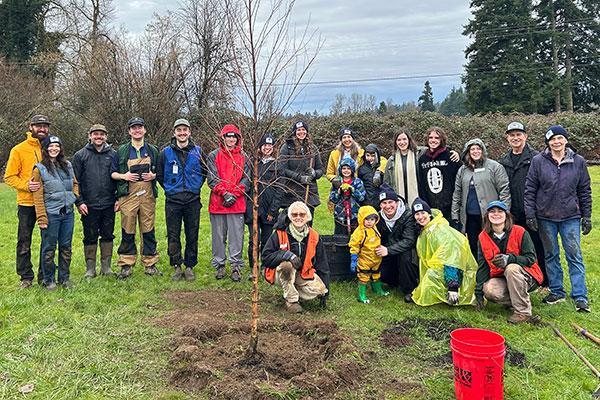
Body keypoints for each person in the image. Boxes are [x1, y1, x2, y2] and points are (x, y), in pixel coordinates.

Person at [524, 125, 592, 313]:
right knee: (551, 254)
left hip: (570, 216)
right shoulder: (538, 161)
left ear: (565, 140)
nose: (556, 142)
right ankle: (556, 291)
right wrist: (530, 214)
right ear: (548, 142)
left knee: (574, 255)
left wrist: (586, 216)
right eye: (552, 139)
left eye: (560, 138)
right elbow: (530, 189)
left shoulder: (578, 161)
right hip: (546, 216)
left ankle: (580, 295)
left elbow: (584, 190)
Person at [475, 201, 543, 324]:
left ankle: (523, 312)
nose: (496, 214)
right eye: (492, 211)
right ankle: (519, 300)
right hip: (503, 278)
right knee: (489, 290)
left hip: (527, 276)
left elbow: (531, 258)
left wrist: (510, 259)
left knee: (511, 268)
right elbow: (483, 266)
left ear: (507, 215)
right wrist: (479, 293)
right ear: (487, 216)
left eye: (500, 211)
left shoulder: (520, 231)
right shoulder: (482, 237)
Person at [497, 121, 547, 286]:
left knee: (538, 246)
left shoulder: (537, 158)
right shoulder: (503, 161)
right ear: (507, 138)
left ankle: (544, 280)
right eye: (512, 135)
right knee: (516, 247)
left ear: (525, 136)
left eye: (519, 134)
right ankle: (520, 280)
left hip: (533, 211)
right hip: (512, 213)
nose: (515, 138)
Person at [111, 117, 160, 279]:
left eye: (140, 127)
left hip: (147, 196)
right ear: (129, 131)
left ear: (144, 130)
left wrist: (153, 176)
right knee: (128, 229)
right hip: (128, 196)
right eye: (134, 128)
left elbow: (160, 171)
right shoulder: (122, 151)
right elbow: (112, 173)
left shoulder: (153, 150)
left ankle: (150, 263)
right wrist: (124, 176)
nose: (137, 130)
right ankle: (126, 264)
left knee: (148, 229)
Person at [157, 118, 205, 281]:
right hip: (173, 201)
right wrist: (171, 189)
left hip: (192, 200)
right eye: (179, 130)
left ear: (189, 132)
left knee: (192, 233)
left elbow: (204, 173)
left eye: (185, 130)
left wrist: (195, 186)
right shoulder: (165, 153)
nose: (182, 133)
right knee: (173, 234)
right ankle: (176, 265)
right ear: (174, 133)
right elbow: (160, 175)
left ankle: (190, 265)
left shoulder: (198, 151)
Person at [4, 114, 49, 288]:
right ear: (31, 127)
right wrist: (26, 185)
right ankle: (25, 277)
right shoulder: (19, 149)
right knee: (24, 240)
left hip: (47, 202)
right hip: (27, 203)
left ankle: (45, 274)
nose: (42, 129)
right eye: (38, 126)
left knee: (48, 240)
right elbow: (9, 177)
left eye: (45, 126)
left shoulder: (51, 147)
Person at [261, 201, 329, 313]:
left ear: (308, 217)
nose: (298, 217)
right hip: (279, 272)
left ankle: (292, 289)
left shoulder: (314, 236)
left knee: (320, 290)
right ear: (289, 217)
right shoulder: (279, 233)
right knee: (287, 266)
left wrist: (326, 292)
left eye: (302, 214)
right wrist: (286, 255)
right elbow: (266, 258)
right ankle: (291, 301)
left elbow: (322, 264)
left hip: (303, 273)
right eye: (294, 215)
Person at [32, 136, 79, 290]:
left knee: (66, 246)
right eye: (51, 146)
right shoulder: (39, 168)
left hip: (67, 213)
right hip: (51, 214)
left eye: (57, 146)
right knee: (49, 247)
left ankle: (64, 278)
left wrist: (74, 196)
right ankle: (48, 279)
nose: (54, 149)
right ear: (45, 149)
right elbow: (37, 196)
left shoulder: (67, 165)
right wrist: (41, 217)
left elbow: (75, 183)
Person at [411, 198, 476, 307]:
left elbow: (451, 258)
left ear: (429, 214)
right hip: (440, 268)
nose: (421, 217)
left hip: (453, 272)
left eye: (423, 213)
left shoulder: (440, 230)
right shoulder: (425, 230)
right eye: (417, 214)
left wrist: (453, 286)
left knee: (431, 275)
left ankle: (452, 292)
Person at [72, 124, 118, 278]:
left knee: (107, 235)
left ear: (106, 136)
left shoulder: (113, 154)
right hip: (88, 205)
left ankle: (106, 268)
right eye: (95, 134)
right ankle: (90, 269)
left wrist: (118, 199)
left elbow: (118, 178)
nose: (99, 137)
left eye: (102, 134)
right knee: (90, 236)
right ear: (89, 135)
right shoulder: (80, 155)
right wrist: (79, 202)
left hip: (109, 204)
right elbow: (75, 182)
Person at [451, 138, 511, 257]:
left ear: (483, 150)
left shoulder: (495, 167)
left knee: (492, 246)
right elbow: (457, 194)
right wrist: (455, 215)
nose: (475, 151)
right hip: (470, 217)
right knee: (474, 246)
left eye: (478, 148)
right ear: (467, 152)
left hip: (489, 216)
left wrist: (504, 213)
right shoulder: (462, 170)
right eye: (472, 149)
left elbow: (504, 191)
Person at [206, 124, 250, 282]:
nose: (231, 139)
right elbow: (211, 178)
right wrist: (224, 193)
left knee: (236, 237)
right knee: (218, 237)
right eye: (228, 136)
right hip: (218, 203)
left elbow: (247, 179)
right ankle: (219, 265)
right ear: (222, 138)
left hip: (237, 204)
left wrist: (235, 194)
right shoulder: (213, 155)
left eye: (234, 137)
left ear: (238, 139)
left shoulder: (244, 156)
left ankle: (236, 266)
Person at [244, 132, 282, 278]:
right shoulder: (253, 164)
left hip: (269, 209)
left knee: (267, 240)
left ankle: (266, 267)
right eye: (264, 145)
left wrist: (273, 210)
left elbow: (280, 190)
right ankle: (253, 268)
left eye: (270, 145)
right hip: (253, 208)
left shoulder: (277, 166)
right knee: (254, 240)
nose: (267, 148)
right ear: (260, 147)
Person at [375, 184, 419, 301]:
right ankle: (394, 281)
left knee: (405, 257)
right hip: (388, 252)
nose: (388, 206)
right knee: (384, 275)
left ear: (397, 202)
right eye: (384, 203)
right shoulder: (378, 218)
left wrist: (388, 250)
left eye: (391, 202)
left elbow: (409, 240)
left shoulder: (408, 215)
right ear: (380, 205)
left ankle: (409, 290)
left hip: (405, 251)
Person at [278, 120, 323, 216]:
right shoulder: (286, 147)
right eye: (298, 130)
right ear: (294, 132)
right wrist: (299, 178)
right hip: (292, 192)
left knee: (307, 223)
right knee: (292, 222)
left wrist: (314, 173)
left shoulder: (312, 148)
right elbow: (282, 169)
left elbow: (321, 169)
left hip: (309, 192)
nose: (301, 132)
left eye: (303, 129)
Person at [417, 127, 461, 220]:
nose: (433, 140)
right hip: (431, 206)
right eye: (431, 137)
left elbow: (460, 179)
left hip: (450, 207)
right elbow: (422, 184)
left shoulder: (450, 156)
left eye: (437, 138)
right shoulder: (423, 159)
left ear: (442, 140)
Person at [349, 205, 389, 304]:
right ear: (361, 218)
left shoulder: (374, 228)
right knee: (364, 276)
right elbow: (354, 245)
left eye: (372, 219)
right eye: (367, 219)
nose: (369, 222)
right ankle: (362, 295)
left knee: (376, 274)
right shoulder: (359, 232)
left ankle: (377, 289)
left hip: (376, 258)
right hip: (364, 259)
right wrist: (354, 259)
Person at [383, 128, 421, 207]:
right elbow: (387, 183)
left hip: (420, 197)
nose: (402, 142)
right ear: (395, 142)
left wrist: (452, 152)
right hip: (399, 199)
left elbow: (436, 150)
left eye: (404, 139)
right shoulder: (392, 160)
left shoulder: (419, 154)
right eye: (399, 140)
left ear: (409, 140)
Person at [328, 157, 366, 235]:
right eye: (344, 168)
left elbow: (362, 198)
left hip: (354, 215)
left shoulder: (357, 182)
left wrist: (353, 191)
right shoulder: (337, 181)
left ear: (352, 169)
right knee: (340, 236)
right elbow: (332, 199)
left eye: (348, 168)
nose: (346, 171)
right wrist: (338, 192)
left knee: (355, 236)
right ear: (340, 169)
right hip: (340, 215)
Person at [357, 143, 386, 209]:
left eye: (373, 156)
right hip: (366, 201)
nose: (370, 158)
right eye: (368, 155)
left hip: (380, 200)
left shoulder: (381, 167)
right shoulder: (362, 169)